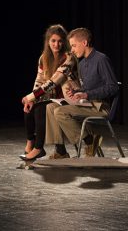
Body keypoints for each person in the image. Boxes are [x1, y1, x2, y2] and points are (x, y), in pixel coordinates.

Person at [45, 27, 119, 159]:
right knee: (51, 107)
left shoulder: (101, 59)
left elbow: (113, 87)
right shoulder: (83, 63)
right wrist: (77, 91)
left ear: (84, 43)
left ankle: (89, 141)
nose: (72, 49)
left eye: (74, 45)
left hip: (100, 107)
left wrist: (86, 95)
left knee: (60, 112)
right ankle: (61, 151)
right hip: (86, 104)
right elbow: (88, 87)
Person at [19, 24, 80, 161]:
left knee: (41, 108)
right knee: (29, 107)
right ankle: (31, 141)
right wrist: (31, 99)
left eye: (59, 41)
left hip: (69, 98)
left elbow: (53, 81)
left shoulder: (68, 58)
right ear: (48, 42)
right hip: (52, 98)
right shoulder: (43, 58)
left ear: (64, 42)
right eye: (53, 41)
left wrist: (30, 96)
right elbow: (39, 81)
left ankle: (39, 149)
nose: (56, 44)